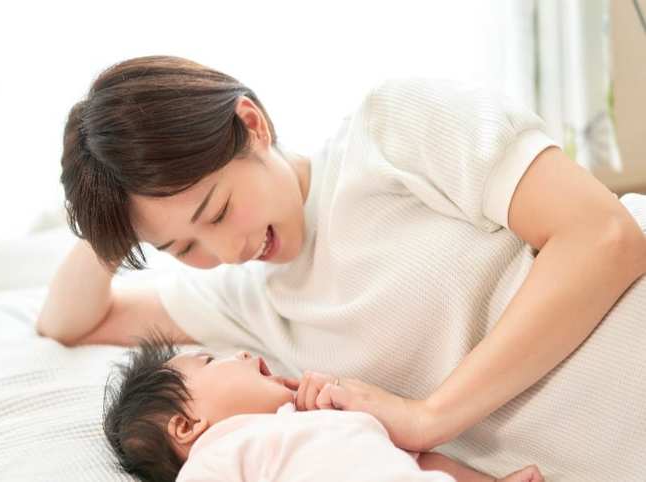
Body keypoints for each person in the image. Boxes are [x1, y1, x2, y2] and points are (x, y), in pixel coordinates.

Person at [37, 55, 646, 479]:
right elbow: (69, 322)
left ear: (252, 125)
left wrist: (429, 418)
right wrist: (110, 207)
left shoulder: (390, 129)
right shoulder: (248, 303)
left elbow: (603, 236)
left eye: (217, 211)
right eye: (182, 249)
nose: (225, 253)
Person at [103, 335, 543, 482]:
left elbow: (423, 461)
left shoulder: (325, 420)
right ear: (187, 426)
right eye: (210, 361)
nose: (241, 354)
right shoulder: (217, 455)